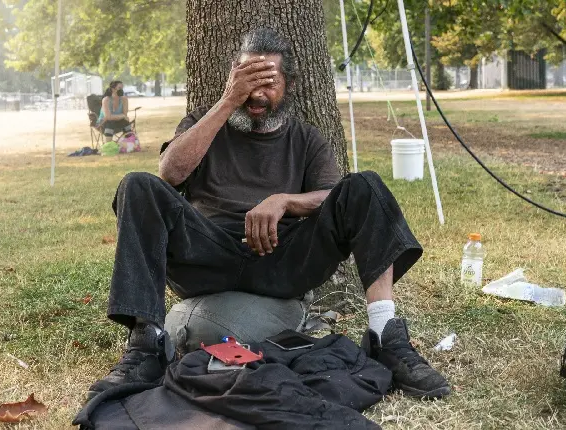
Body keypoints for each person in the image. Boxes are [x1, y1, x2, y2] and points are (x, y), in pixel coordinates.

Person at [88, 28, 451, 401]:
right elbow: (169, 175)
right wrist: (228, 101)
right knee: (138, 184)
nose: (256, 95)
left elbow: (333, 196)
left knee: (365, 185)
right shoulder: (203, 122)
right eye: (247, 82)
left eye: (268, 83)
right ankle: (146, 344)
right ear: (232, 79)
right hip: (206, 257)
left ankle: (384, 335)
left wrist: (285, 201)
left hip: (280, 262)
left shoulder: (307, 139)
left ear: (289, 85)